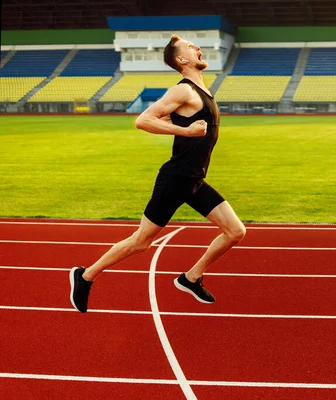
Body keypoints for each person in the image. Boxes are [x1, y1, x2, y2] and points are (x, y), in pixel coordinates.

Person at [69, 35, 246, 313]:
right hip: (175, 179)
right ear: (182, 60)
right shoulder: (184, 90)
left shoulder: (201, 91)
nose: (197, 48)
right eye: (191, 47)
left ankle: (191, 277)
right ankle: (86, 275)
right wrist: (185, 131)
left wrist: (176, 122)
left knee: (235, 231)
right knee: (142, 242)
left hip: (195, 180)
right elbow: (143, 120)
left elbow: (164, 117)